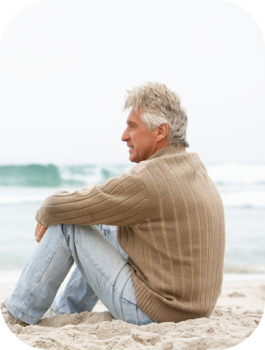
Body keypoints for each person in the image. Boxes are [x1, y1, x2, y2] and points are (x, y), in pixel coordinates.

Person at [0, 82, 225, 326]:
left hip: (155, 312)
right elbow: (100, 204)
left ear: (160, 131)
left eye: (132, 126)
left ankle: (17, 314)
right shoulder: (195, 169)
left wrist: (46, 211)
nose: (123, 136)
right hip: (192, 310)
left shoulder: (150, 179)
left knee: (69, 224)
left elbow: (60, 207)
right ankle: (65, 310)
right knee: (110, 228)